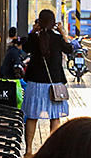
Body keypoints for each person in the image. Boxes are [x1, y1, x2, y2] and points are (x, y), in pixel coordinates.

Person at [21, 9, 74, 150]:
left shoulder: (34, 38)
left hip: (35, 82)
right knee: (55, 117)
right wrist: (62, 32)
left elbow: (24, 48)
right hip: (54, 84)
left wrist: (32, 31)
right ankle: (52, 151)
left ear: (39, 22)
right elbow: (69, 49)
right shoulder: (57, 39)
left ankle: (28, 150)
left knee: (32, 116)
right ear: (53, 22)